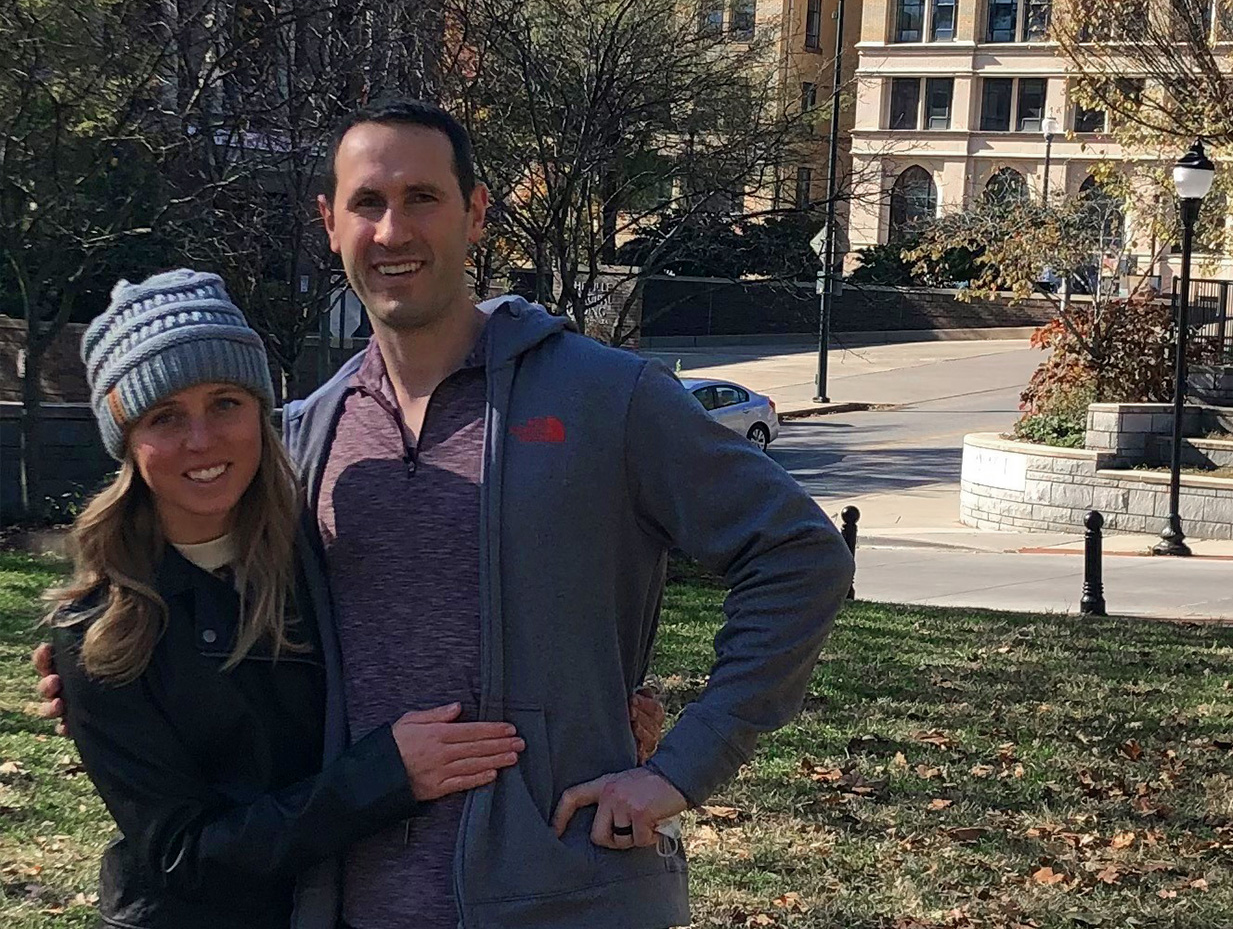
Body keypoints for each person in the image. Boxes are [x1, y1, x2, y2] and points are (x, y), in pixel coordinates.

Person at [49, 98, 853, 929]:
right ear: (330, 224)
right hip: (347, 902)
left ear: (474, 212)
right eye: (367, 203)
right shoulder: (303, 436)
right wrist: (102, 657)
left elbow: (799, 555)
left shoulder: (608, 397)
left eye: (421, 198)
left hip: (571, 892)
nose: (393, 231)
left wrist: (681, 767)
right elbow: (218, 592)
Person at [46, 270, 529, 929]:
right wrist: (381, 778)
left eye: (225, 402)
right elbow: (185, 854)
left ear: (261, 410)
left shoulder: (320, 557)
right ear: (126, 442)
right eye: (165, 417)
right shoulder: (100, 630)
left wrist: (600, 711)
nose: (202, 440)